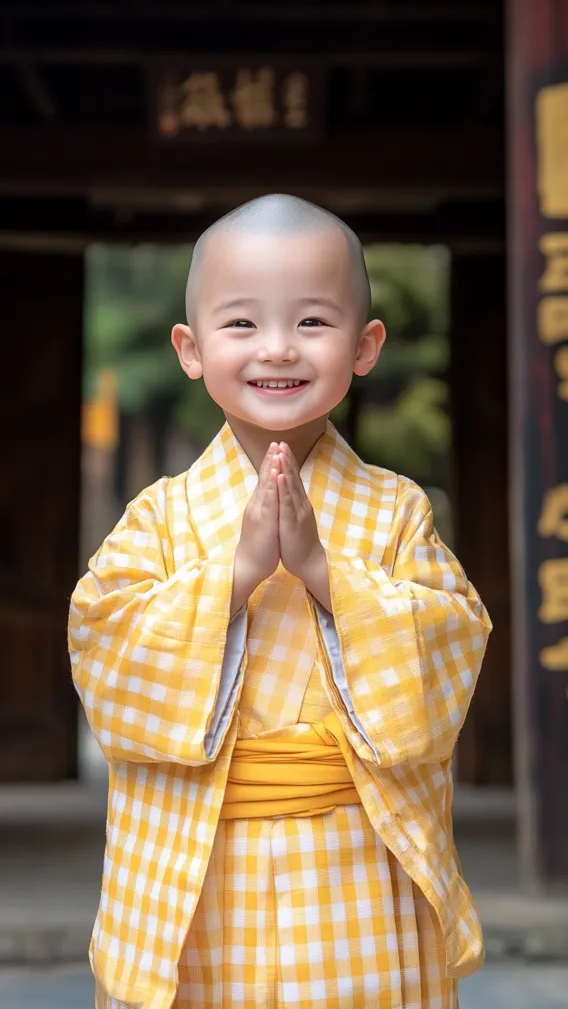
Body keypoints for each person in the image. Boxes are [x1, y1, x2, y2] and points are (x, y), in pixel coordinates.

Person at [69, 194, 492, 1009]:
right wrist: (236, 571)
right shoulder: (158, 517)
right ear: (189, 350)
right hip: (196, 870)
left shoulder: (397, 510)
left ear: (366, 346)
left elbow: (449, 650)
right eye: (240, 325)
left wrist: (320, 567)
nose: (276, 349)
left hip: (359, 868)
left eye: (310, 322)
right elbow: (106, 660)